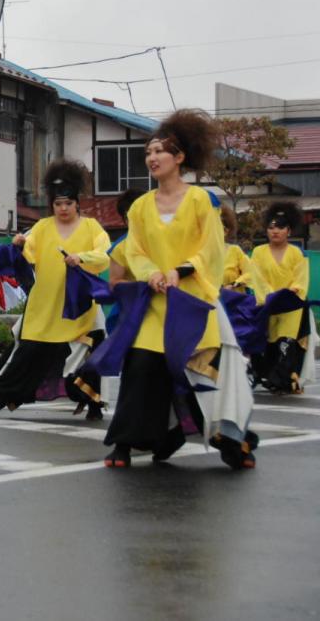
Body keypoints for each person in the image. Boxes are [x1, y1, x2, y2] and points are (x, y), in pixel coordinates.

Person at [103, 109, 256, 470]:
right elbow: (134, 250)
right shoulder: (140, 208)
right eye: (149, 152)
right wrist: (151, 273)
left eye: (160, 152)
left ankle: (232, 443)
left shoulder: (202, 201)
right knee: (140, 368)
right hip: (154, 304)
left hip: (194, 303)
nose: (152, 158)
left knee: (204, 374)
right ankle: (123, 444)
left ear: (180, 158)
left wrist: (182, 270)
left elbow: (212, 249)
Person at [0, 160, 110, 420]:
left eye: (68, 203)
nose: (63, 208)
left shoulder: (91, 227)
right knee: (30, 351)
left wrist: (81, 257)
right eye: (58, 204)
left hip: (78, 305)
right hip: (46, 304)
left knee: (88, 351)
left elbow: (104, 253)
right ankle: (6, 395)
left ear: (77, 204)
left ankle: (93, 402)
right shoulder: (43, 227)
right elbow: (28, 252)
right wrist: (18, 245)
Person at [250, 201, 314, 395]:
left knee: (286, 343)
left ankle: (283, 379)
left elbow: (301, 280)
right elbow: (257, 278)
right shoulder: (258, 253)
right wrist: (270, 295)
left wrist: (289, 292)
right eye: (271, 228)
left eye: (280, 227)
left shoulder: (297, 253)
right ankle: (270, 376)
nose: (275, 231)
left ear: (289, 231)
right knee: (269, 343)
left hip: (291, 307)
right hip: (268, 305)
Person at [219, 205, 261, 293]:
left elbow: (250, 273)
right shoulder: (202, 253)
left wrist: (234, 284)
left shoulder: (235, 250)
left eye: (218, 228)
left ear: (226, 231)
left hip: (234, 299)